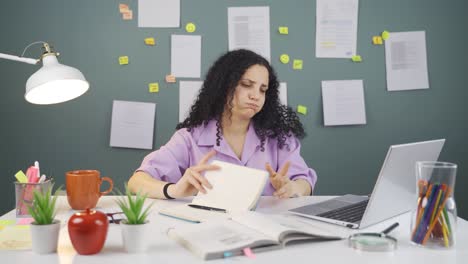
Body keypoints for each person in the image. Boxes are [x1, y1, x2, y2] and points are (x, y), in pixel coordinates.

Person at [128, 49, 317, 200]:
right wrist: (175, 190)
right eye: (246, 84)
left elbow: (305, 182)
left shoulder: (280, 138)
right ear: (224, 86)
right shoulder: (189, 138)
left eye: (263, 89)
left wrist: (292, 187)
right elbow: (136, 182)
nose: (256, 95)